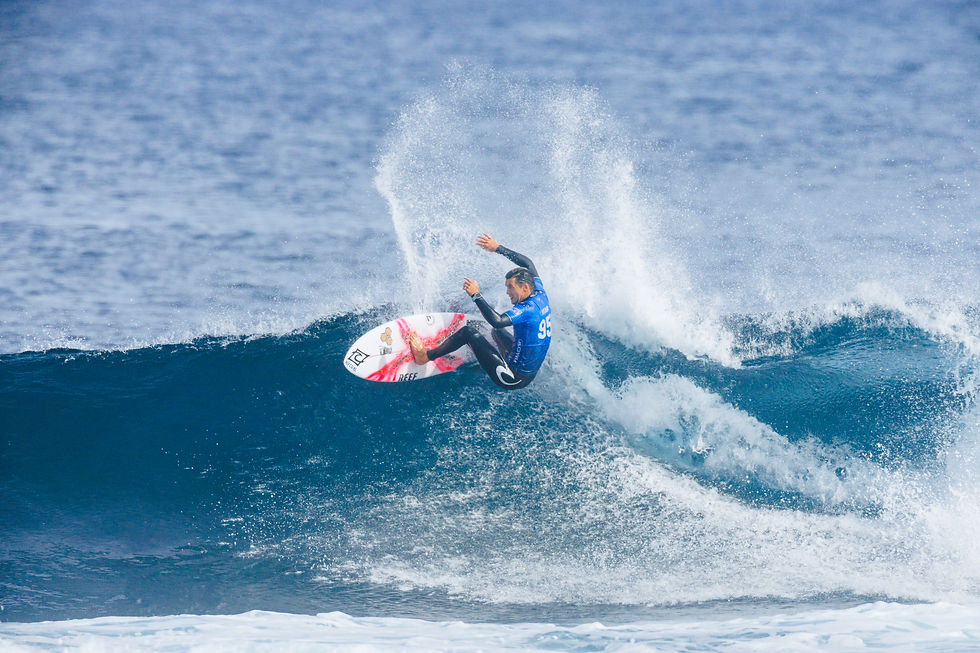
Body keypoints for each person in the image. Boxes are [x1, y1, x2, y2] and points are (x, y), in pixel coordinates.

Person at [410, 233, 552, 389]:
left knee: (468, 332)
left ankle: (425, 356)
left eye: (511, 287)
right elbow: (528, 263)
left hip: (512, 377)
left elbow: (497, 321)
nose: (507, 292)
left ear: (524, 287)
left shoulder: (527, 310)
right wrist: (498, 248)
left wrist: (475, 295)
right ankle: (482, 353)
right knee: (494, 333)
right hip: (526, 368)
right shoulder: (539, 293)